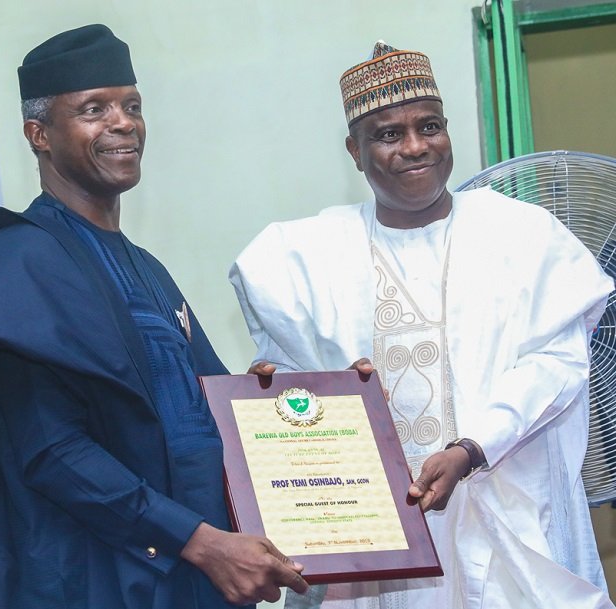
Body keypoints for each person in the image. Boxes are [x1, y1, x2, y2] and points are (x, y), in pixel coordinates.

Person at [0, 24, 309, 609]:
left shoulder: (148, 270)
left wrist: (308, 405)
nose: (123, 123)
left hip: (198, 578)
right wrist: (197, 542)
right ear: (38, 134)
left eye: (132, 105)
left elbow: (205, 409)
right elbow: (51, 452)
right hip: (98, 581)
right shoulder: (12, 270)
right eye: (94, 109)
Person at [229, 41, 615, 609]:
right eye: (388, 134)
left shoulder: (523, 236)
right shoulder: (303, 258)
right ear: (354, 152)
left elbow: (556, 365)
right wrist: (276, 391)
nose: (415, 147)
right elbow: (292, 381)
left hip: (504, 512)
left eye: (430, 126)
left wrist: (472, 449)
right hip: (373, 538)